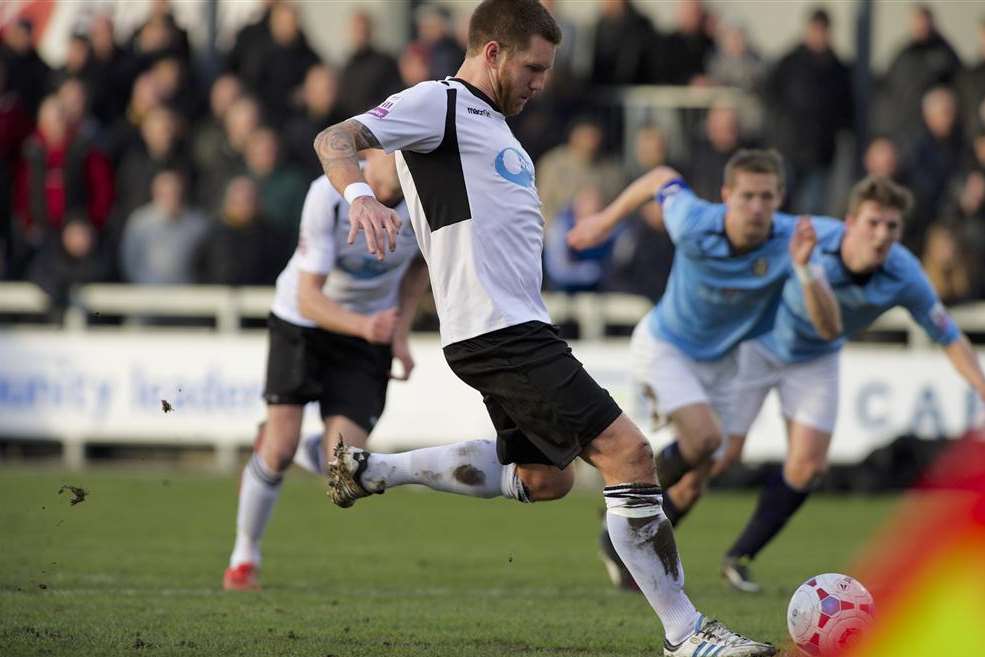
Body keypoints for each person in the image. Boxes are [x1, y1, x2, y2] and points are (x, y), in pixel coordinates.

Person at [314, 2, 777, 655]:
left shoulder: (494, 128)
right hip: (501, 332)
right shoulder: (437, 102)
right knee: (630, 453)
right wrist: (359, 194)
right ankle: (687, 633)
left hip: (509, 328)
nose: (540, 81)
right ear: (494, 52)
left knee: (544, 479)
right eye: (532, 66)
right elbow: (335, 139)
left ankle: (378, 470)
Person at [680, 177, 985, 592]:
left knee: (808, 467)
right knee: (717, 458)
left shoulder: (905, 273)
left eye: (891, 227)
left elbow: (949, 337)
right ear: (849, 222)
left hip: (815, 358)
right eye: (873, 223)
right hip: (757, 344)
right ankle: (636, 532)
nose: (882, 236)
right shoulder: (809, 235)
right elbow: (749, 226)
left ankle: (740, 556)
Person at [566, 150, 841, 593]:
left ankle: (618, 542)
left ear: (780, 199)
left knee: (699, 478)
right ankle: (628, 488)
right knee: (706, 440)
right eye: (747, 196)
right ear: (726, 195)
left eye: (766, 197)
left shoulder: (796, 239)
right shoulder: (693, 220)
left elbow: (830, 326)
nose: (756, 207)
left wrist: (808, 270)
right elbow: (660, 176)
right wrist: (605, 220)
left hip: (728, 362)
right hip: (666, 347)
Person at [223, 151, 428, 591]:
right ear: (369, 155)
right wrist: (368, 326)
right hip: (304, 322)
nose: (407, 158)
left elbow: (418, 269)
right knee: (275, 450)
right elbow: (307, 295)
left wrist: (400, 333)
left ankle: (298, 448)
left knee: (343, 473)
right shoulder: (328, 195)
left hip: (366, 336)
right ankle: (244, 556)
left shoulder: (424, 199)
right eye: (397, 150)